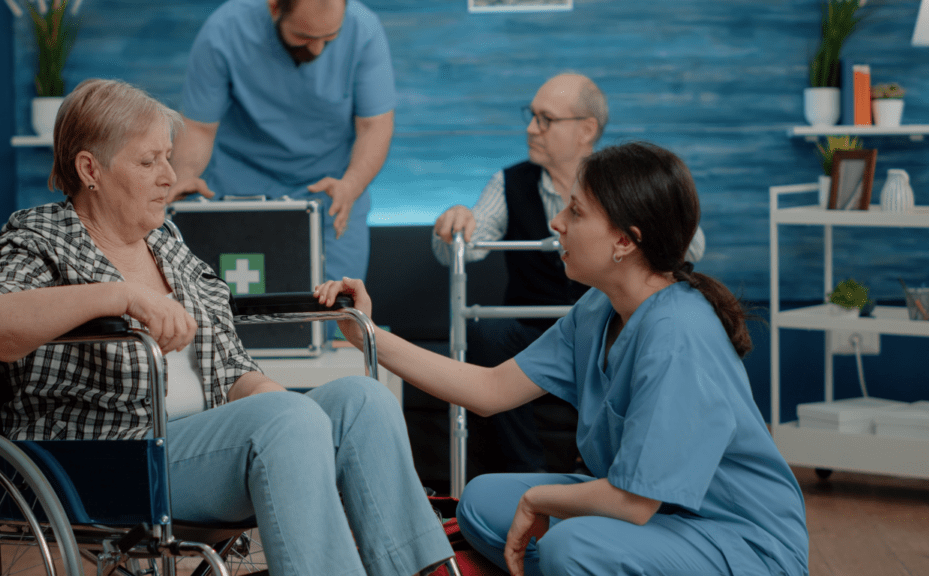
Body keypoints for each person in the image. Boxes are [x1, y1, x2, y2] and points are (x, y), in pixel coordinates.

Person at [0, 79, 452, 576]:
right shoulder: (45, 235)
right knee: (288, 419)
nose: (169, 177)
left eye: (168, 159)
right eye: (149, 162)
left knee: (363, 402)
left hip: (202, 447)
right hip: (111, 460)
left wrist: (296, 416)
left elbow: (233, 370)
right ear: (91, 168)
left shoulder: (168, 243)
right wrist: (120, 295)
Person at [316, 142, 808, 576]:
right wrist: (369, 334)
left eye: (575, 211)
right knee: (483, 503)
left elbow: (636, 503)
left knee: (572, 545)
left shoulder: (679, 332)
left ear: (624, 241)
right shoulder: (598, 307)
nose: (557, 222)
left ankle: (575, 563)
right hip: (657, 517)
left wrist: (540, 499)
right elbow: (490, 391)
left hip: (736, 541)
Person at [430, 73, 704, 476]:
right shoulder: (509, 182)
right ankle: (528, 471)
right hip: (535, 331)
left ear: (586, 130)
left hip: (607, 327)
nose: (530, 128)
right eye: (531, 116)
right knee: (489, 332)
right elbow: (458, 250)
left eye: (545, 119)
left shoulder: (624, 184)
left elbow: (688, 246)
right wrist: (455, 225)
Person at [169, 0, 396, 285]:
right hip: (236, 189)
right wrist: (184, 175)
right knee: (226, 309)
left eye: (329, 39)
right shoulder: (225, 30)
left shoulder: (364, 31)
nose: (316, 50)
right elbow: (199, 126)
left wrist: (352, 184)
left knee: (336, 312)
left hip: (331, 193)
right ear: (274, 7)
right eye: (304, 37)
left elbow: (374, 126)